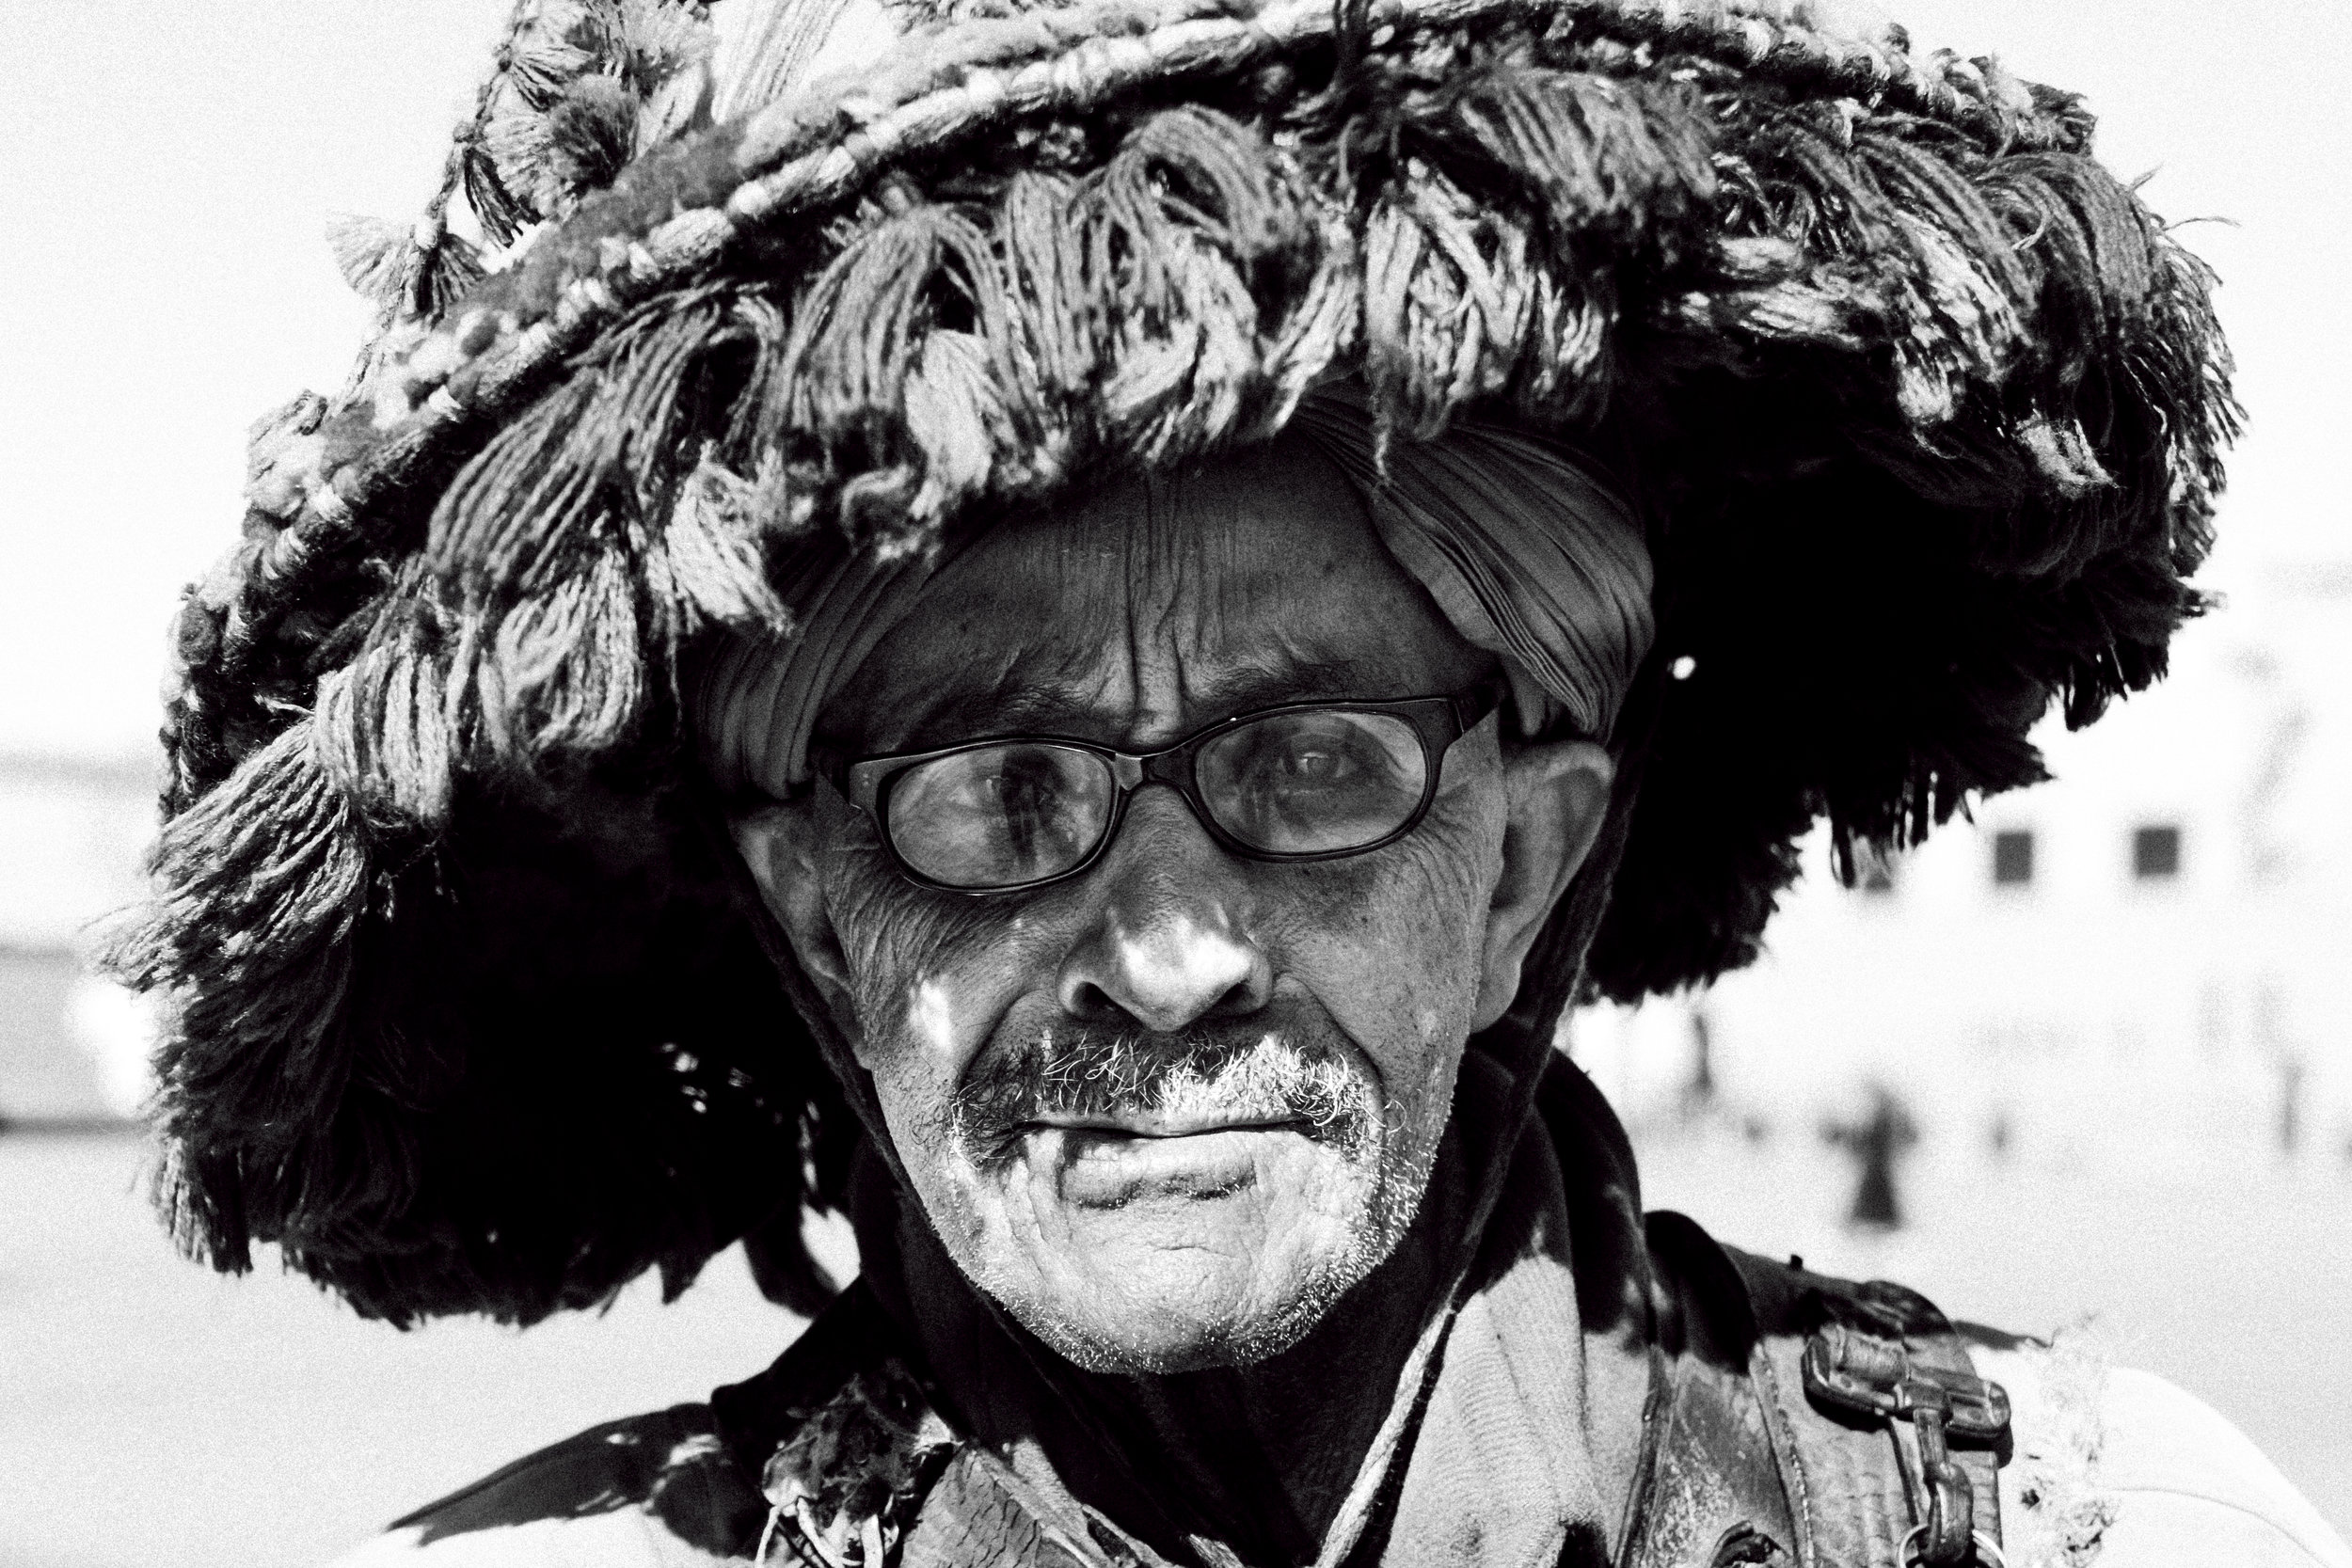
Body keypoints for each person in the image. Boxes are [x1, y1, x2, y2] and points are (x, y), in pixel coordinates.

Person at [109, 0, 2347, 1563]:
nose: (1168, 963)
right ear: (812, 912)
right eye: (991, 796)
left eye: (1308, 767)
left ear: (1518, 868)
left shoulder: (2097, 1527)